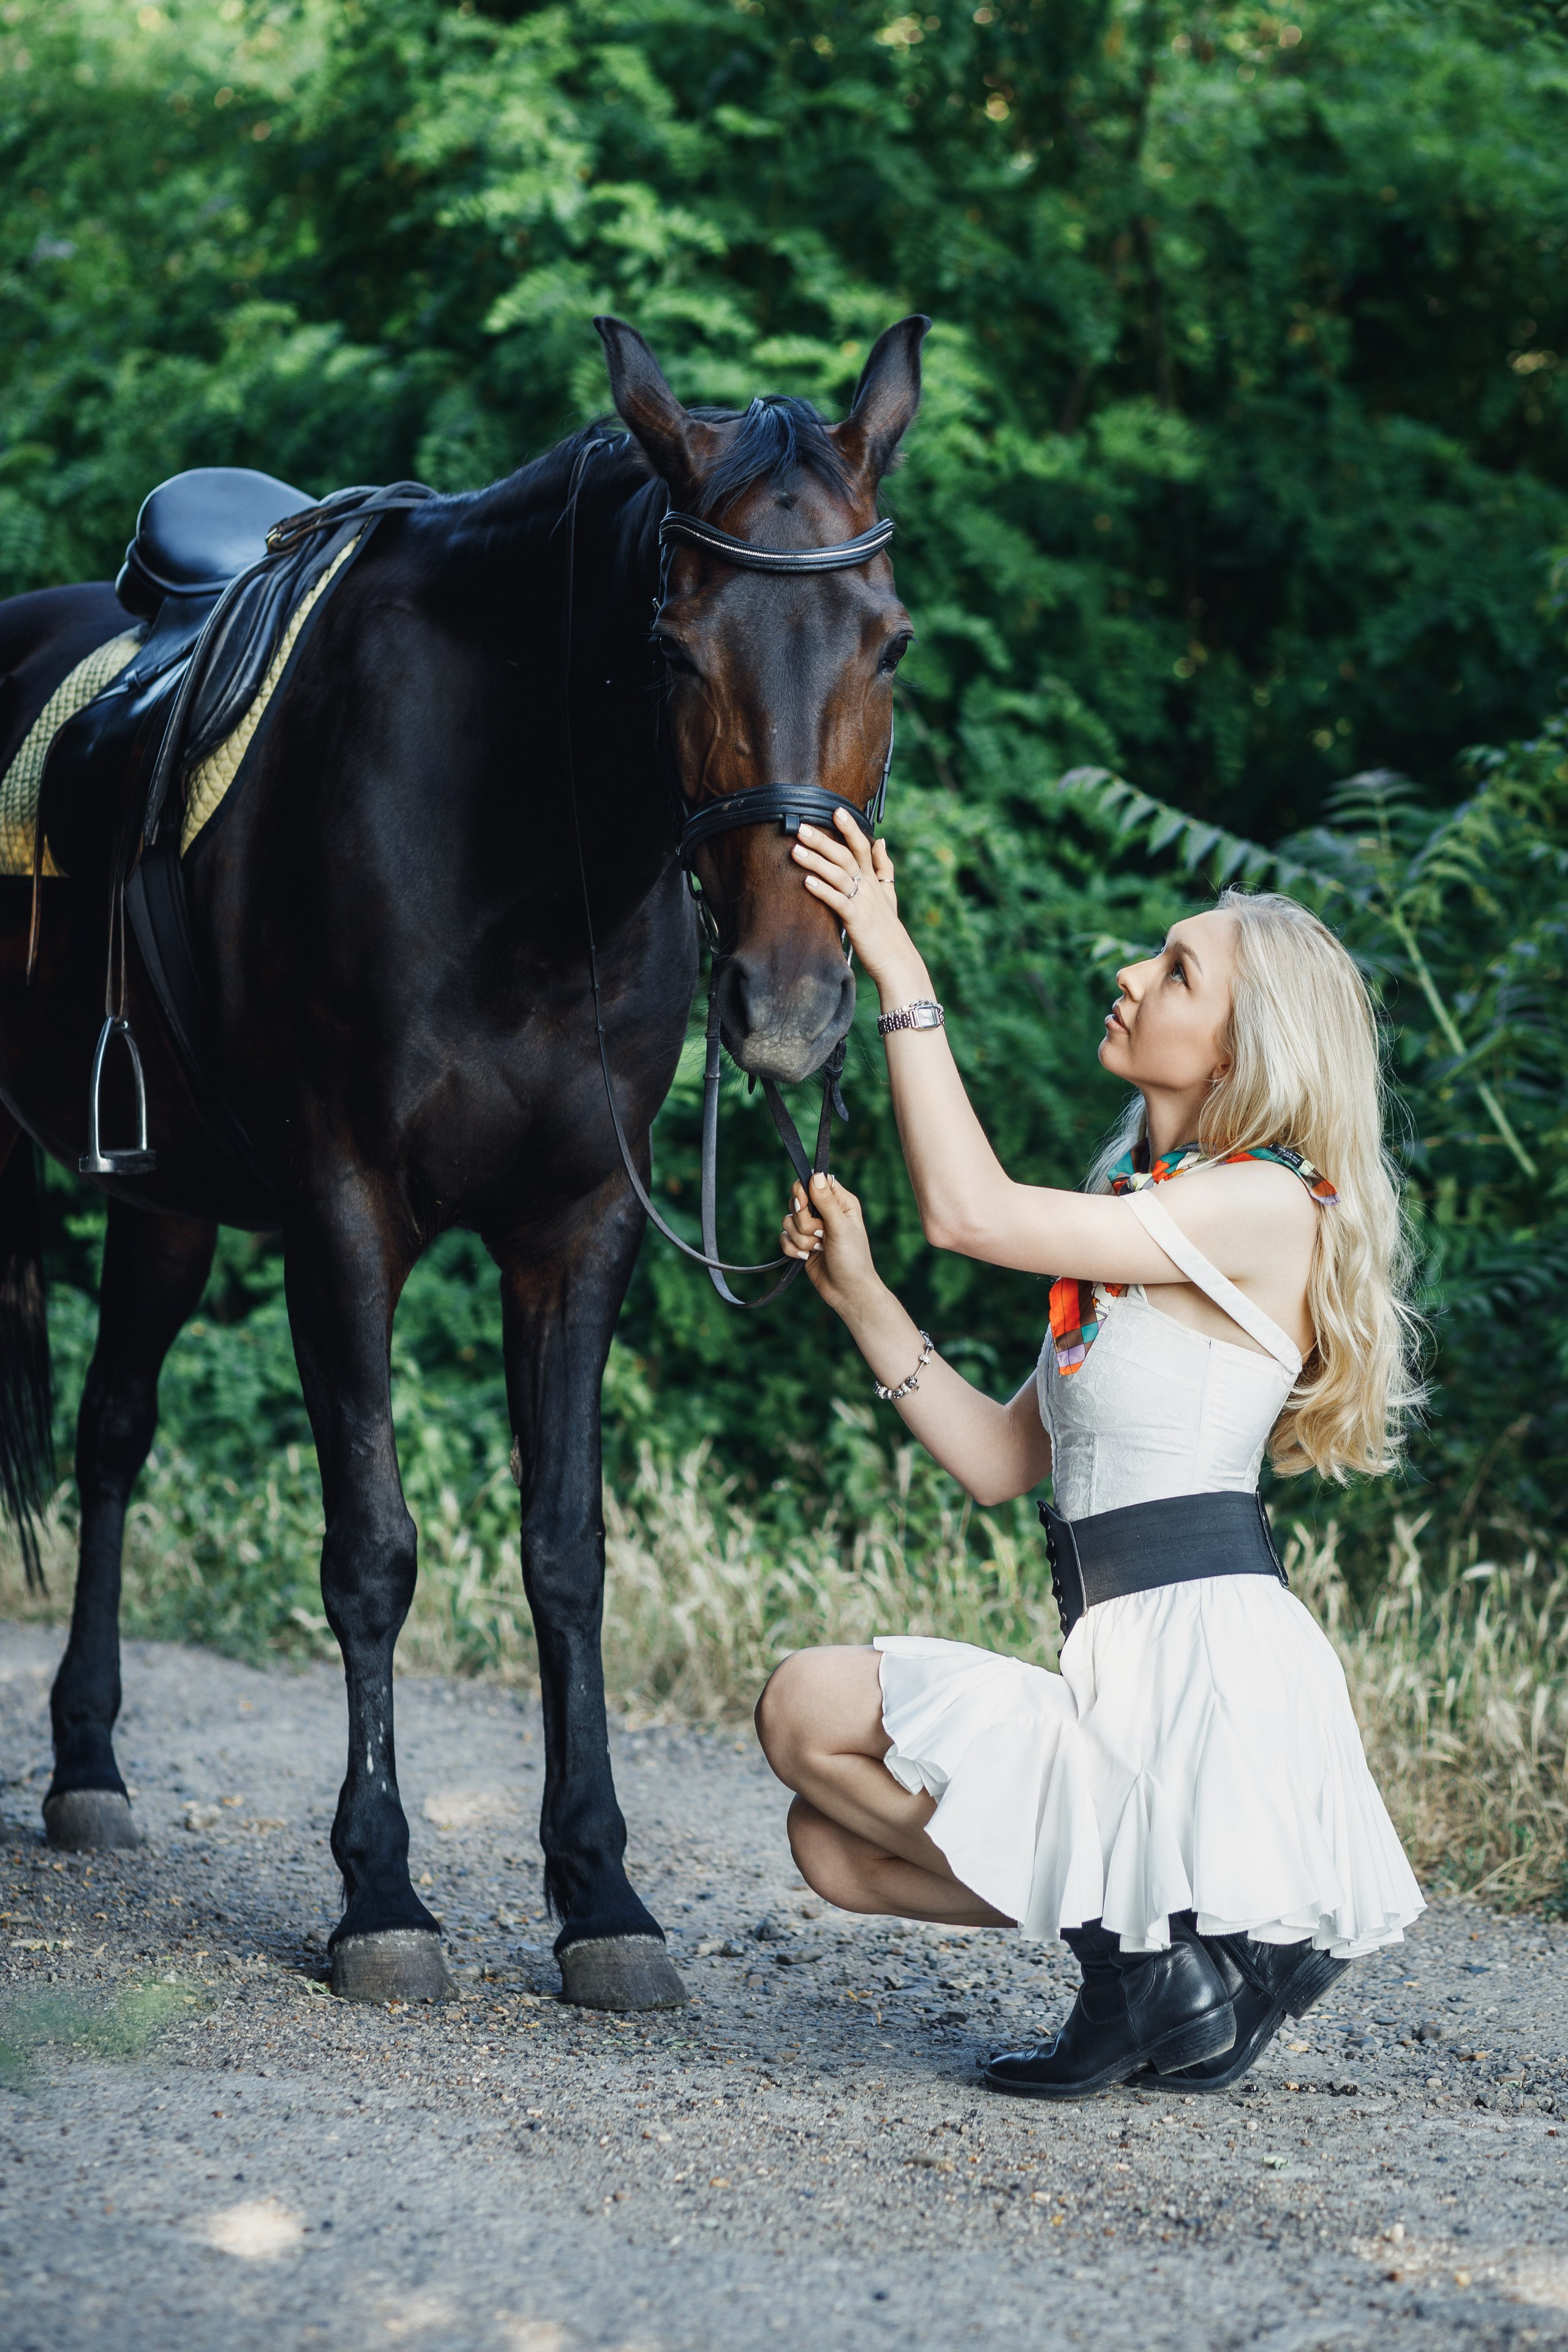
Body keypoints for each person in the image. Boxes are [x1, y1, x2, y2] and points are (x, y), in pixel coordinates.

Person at [753, 811, 1425, 2100]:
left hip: (1200, 1675)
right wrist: (857, 1297)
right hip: (1122, 1656)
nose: (1129, 972)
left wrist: (897, 967)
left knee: (804, 1705)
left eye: (1176, 970)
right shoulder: (1145, 1214)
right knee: (831, 1851)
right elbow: (1002, 1460)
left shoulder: (1264, 1202)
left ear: (1244, 1048)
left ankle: (1149, 1950)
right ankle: (1157, 1962)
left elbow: (971, 1211)